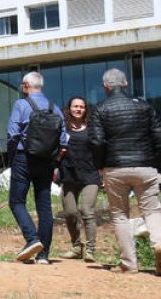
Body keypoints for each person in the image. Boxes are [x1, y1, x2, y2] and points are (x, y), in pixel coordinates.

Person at [88, 68, 161, 274]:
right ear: (126, 84)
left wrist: (100, 165)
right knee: (152, 210)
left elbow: (97, 141)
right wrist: (156, 163)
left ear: (105, 87)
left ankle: (129, 263)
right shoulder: (144, 106)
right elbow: (158, 136)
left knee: (120, 214)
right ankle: (159, 242)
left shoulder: (100, 109)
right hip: (145, 166)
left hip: (115, 167)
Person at [6, 71, 68, 264]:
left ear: (26, 86)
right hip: (47, 161)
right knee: (44, 206)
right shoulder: (55, 108)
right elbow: (64, 142)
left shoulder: (21, 104)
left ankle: (32, 239)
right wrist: (54, 160)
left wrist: (12, 157)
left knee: (16, 201)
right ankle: (44, 255)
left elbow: (12, 134)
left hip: (25, 158)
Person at [57, 96, 100, 262]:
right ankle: (76, 247)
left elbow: (99, 147)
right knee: (69, 213)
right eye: (75, 106)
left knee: (87, 211)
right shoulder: (63, 128)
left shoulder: (92, 128)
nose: (78, 109)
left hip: (90, 174)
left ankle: (90, 250)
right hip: (69, 175)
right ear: (69, 108)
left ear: (85, 110)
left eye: (82, 107)